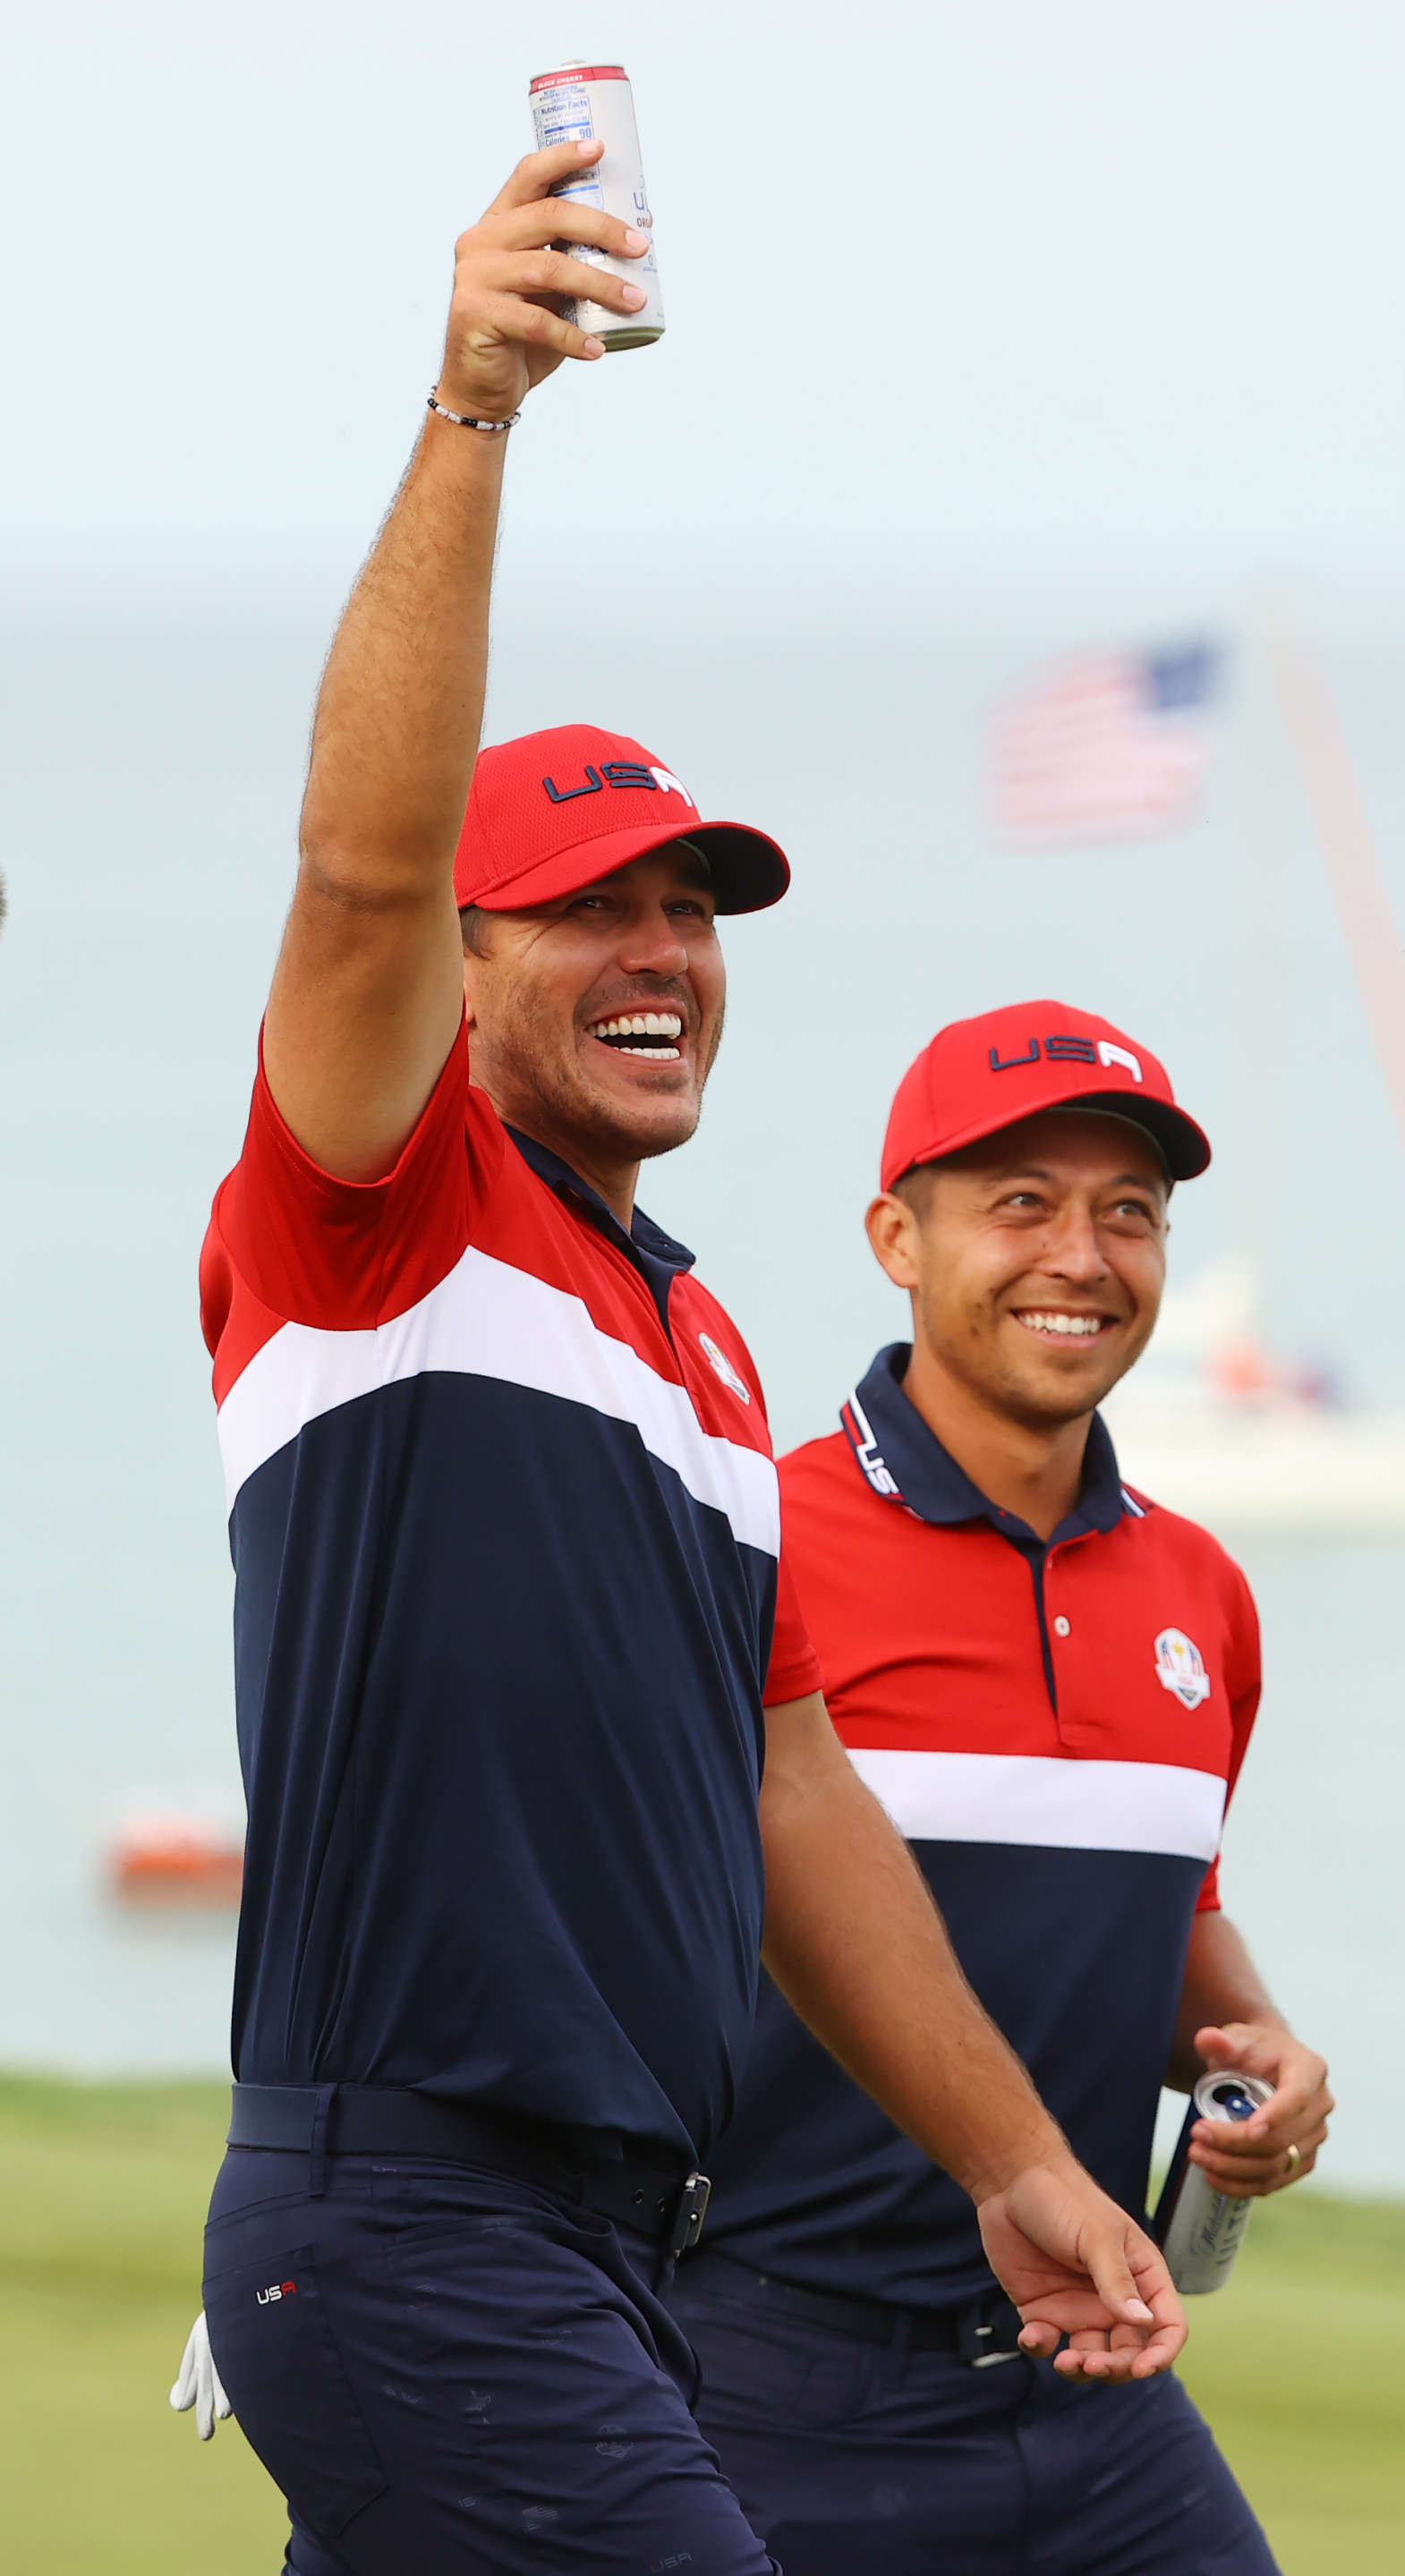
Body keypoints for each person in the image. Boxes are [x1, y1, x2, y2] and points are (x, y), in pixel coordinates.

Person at [176, 154, 1189, 2576]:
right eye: (585, 914)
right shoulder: (377, 1215)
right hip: (414, 2218)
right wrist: (474, 407)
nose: (663, 952)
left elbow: (791, 1794)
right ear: (468, 967)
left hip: (617, 2246)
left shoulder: (711, 1343)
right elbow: (354, 876)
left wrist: (1021, 2164)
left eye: (691, 911)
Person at [669, 999, 1335, 2575]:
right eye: (1020, 1203)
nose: (1081, 1258)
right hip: (756, 2376)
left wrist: (1261, 2053)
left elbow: (1166, 1905)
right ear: (898, 1237)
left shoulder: (1203, 1591)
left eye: (1129, 1214)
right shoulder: (751, 1536)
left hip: (1092, 2377)